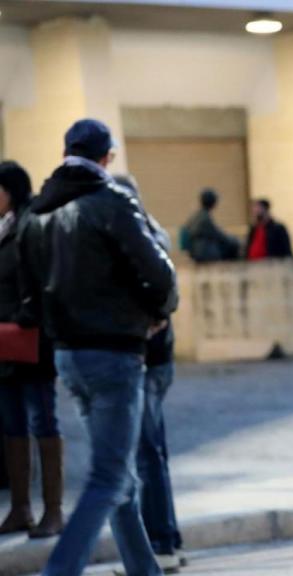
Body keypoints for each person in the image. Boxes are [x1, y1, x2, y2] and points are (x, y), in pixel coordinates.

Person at [22, 118, 177, 576]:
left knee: (118, 476)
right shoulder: (111, 203)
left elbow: (28, 293)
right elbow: (160, 275)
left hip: (67, 356)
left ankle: (143, 570)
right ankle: (61, 569)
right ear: (106, 156)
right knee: (109, 478)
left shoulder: (36, 213)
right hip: (114, 355)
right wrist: (157, 313)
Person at [113, 176, 184, 573]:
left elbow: (163, 294)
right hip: (157, 358)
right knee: (152, 452)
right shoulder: (151, 231)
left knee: (147, 453)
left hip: (149, 358)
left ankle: (161, 542)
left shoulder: (143, 236)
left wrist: (147, 321)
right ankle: (166, 538)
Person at [0, 160, 63, 538]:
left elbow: (42, 280)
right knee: (12, 424)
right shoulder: (5, 226)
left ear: (11, 190)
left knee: (43, 421)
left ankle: (52, 510)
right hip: (6, 341)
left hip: (31, 339)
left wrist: (25, 316)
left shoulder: (30, 224)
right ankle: (21, 508)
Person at [182, 187, 239, 263]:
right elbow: (218, 235)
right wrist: (234, 241)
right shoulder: (205, 218)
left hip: (197, 250)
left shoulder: (197, 216)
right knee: (233, 247)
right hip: (204, 252)